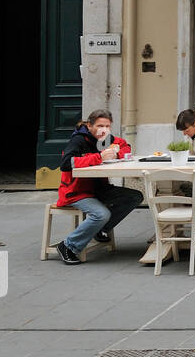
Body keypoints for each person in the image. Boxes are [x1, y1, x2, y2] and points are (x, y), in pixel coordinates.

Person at [55, 109, 143, 265]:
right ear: (89, 125)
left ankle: (100, 229)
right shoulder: (78, 141)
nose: (104, 129)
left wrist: (116, 154)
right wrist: (98, 157)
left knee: (135, 196)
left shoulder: (105, 139)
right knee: (101, 214)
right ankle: (68, 245)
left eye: (107, 126)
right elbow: (66, 163)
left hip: (100, 190)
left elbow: (126, 146)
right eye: (100, 125)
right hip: (76, 192)